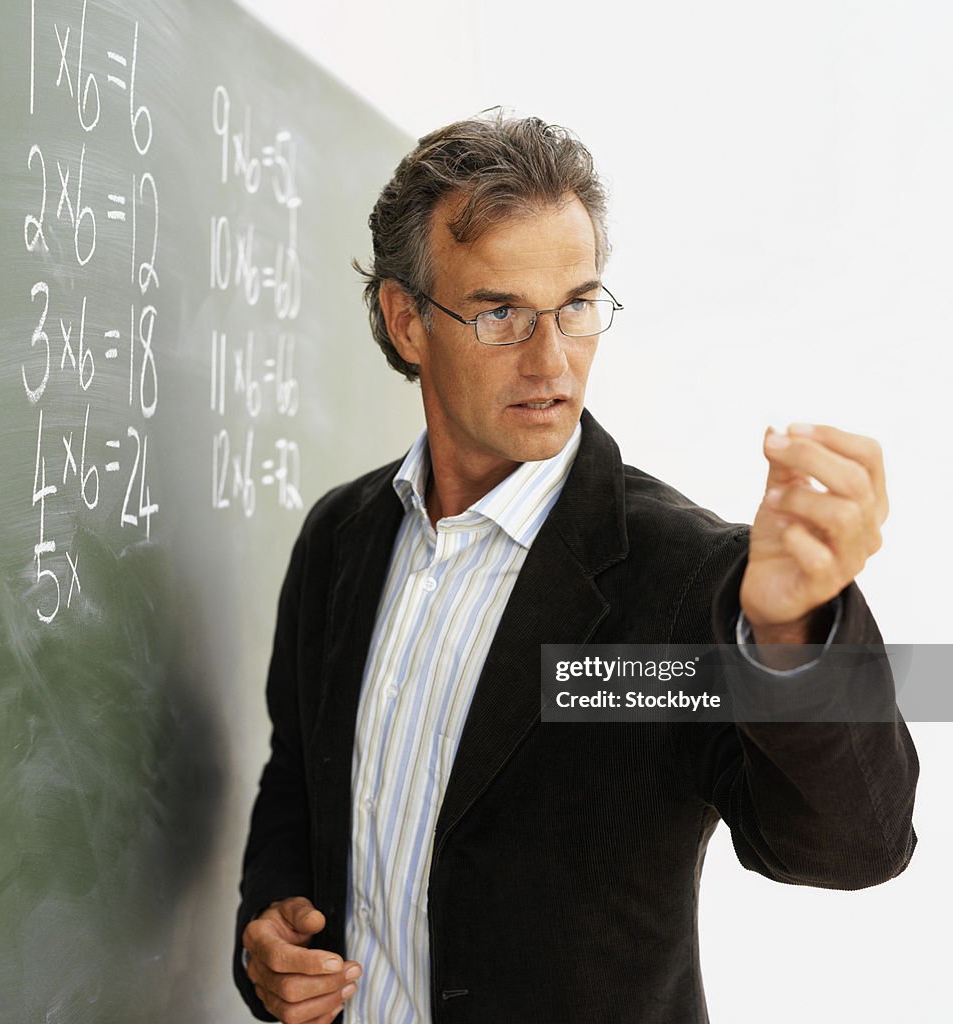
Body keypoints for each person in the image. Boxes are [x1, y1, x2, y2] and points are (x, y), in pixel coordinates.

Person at [232, 111, 918, 1024]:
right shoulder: (339, 540)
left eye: (578, 307)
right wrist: (267, 931)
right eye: (501, 313)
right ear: (406, 320)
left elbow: (853, 847)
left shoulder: (680, 581)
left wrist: (795, 634)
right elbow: (297, 782)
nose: (552, 361)